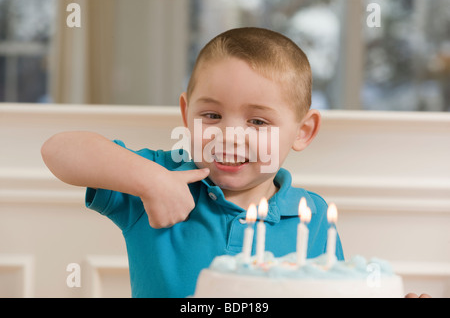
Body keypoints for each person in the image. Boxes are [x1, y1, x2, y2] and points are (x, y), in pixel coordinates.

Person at [41, 27, 344, 297]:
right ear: (187, 115)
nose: (230, 136)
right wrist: (150, 181)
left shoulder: (313, 218)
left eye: (257, 121)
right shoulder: (160, 180)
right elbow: (58, 150)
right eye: (212, 116)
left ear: (303, 132)